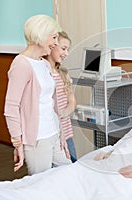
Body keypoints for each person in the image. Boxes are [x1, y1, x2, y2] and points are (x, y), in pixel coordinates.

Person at [4, 14, 72, 175]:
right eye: (54, 37)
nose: (56, 43)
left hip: (54, 133)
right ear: (41, 34)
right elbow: (11, 107)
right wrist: (17, 142)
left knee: (69, 172)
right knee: (41, 185)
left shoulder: (44, 64)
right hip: (37, 139)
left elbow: (52, 104)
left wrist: (61, 134)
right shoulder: (21, 64)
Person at [45, 31, 78, 163]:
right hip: (51, 133)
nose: (66, 53)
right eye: (63, 48)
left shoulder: (64, 74)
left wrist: (64, 113)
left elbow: (72, 101)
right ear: (51, 46)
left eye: (68, 49)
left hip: (66, 132)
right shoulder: (43, 73)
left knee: (72, 165)